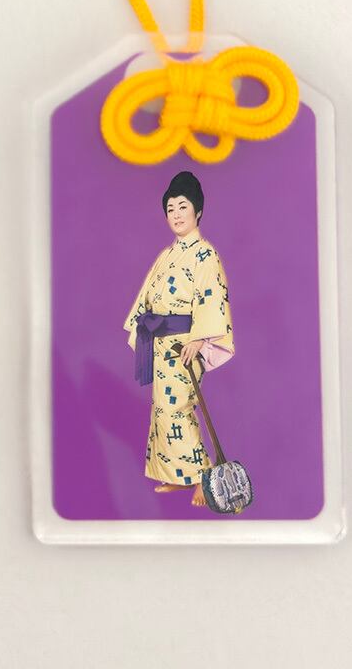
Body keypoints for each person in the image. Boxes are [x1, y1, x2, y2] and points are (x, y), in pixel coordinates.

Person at [122, 171, 234, 508]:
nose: (176, 214)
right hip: (161, 343)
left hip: (185, 343)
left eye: (182, 206)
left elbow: (211, 297)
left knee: (179, 407)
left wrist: (200, 339)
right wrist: (143, 323)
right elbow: (148, 294)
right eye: (170, 209)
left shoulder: (205, 255)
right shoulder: (167, 255)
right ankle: (177, 475)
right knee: (162, 410)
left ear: (198, 210)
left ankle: (202, 475)